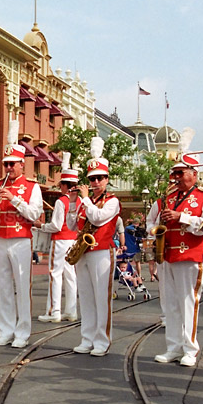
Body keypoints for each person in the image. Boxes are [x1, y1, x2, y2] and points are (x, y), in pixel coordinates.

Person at [147, 152, 203, 366]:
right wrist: (155, 231)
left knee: (188, 302)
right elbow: (151, 223)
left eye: (180, 172)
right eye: (174, 173)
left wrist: (182, 217)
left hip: (189, 255)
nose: (175, 177)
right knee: (171, 304)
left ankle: (190, 349)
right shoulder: (167, 198)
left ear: (194, 175)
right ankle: (173, 347)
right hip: (167, 255)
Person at [0, 119, 42, 348]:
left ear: (21, 165)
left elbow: (34, 213)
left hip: (21, 240)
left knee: (21, 286)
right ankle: (5, 330)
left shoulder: (32, 186)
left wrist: (14, 199)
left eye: (12, 164)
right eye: (6, 164)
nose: (8, 168)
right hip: (1, 239)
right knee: (4, 287)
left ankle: (23, 332)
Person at [67, 136, 120, 356]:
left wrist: (85, 200)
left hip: (101, 251)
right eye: (92, 179)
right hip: (84, 252)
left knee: (101, 297)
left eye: (99, 178)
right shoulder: (82, 201)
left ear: (107, 179)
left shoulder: (112, 200)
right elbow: (71, 224)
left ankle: (102, 340)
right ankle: (87, 338)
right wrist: (72, 202)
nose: (95, 182)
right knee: (86, 297)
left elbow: (98, 218)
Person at [36, 155, 79, 323]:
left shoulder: (62, 201)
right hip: (74, 240)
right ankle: (71, 310)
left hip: (61, 240)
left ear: (64, 185)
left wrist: (40, 226)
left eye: (61, 184)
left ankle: (54, 311)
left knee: (55, 274)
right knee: (70, 275)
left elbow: (56, 225)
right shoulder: (81, 200)